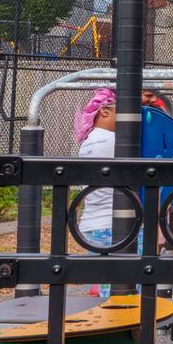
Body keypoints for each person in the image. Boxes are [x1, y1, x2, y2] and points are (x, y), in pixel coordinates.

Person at [73, 88, 119, 258]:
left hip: (92, 222)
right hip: (113, 224)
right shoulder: (112, 140)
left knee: (103, 280)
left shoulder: (89, 140)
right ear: (104, 112)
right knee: (126, 281)